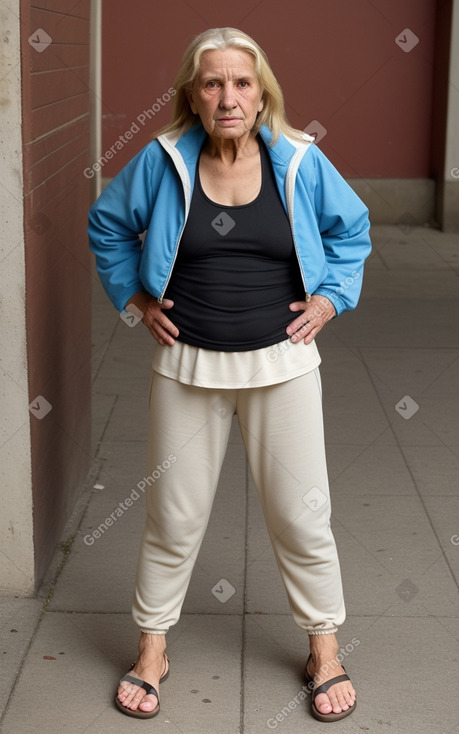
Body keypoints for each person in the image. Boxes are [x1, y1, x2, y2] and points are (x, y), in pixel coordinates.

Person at [88, 26, 371, 723]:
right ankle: (152, 651)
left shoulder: (300, 160)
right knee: (172, 519)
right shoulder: (161, 161)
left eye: (241, 82)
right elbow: (105, 225)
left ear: (262, 89)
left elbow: (351, 229)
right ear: (190, 90)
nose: (227, 96)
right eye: (211, 82)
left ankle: (324, 650)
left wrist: (331, 297)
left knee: (303, 518)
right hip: (189, 366)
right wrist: (135, 295)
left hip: (283, 366)